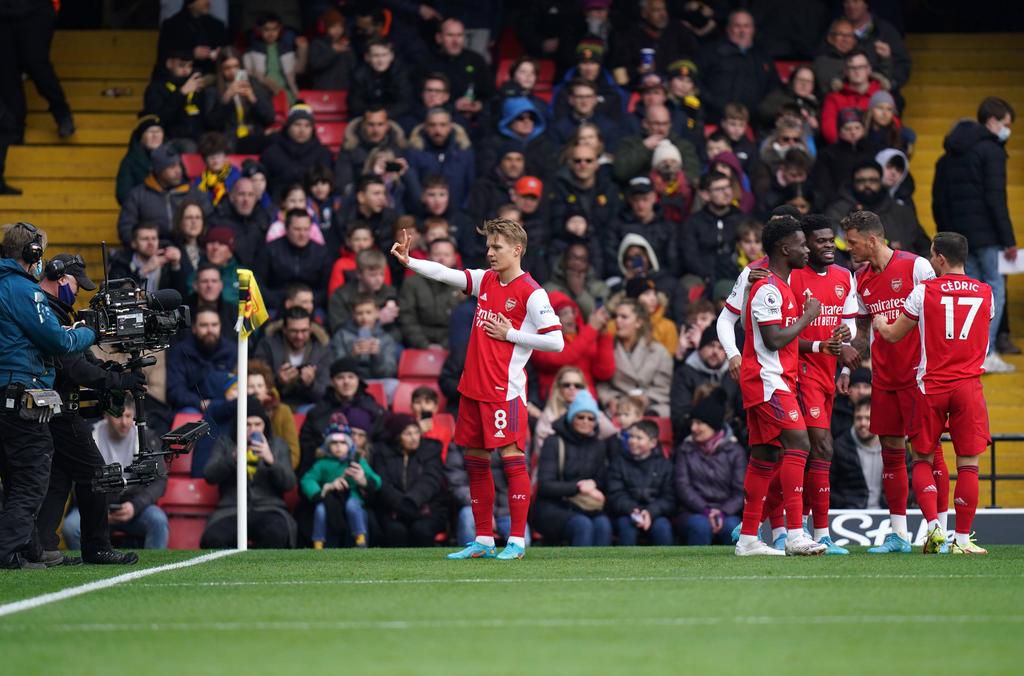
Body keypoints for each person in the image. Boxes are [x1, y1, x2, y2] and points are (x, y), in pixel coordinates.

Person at [391, 218, 564, 560]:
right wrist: (411, 262)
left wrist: (510, 334)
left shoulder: (532, 292)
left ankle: (516, 542)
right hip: (472, 389)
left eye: (497, 247)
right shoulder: (486, 280)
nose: (490, 253)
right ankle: (483, 539)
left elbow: (556, 342)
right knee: (475, 462)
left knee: (512, 461)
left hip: (504, 391)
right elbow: (445, 273)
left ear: (517, 250)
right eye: (488, 247)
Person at [873, 232, 993, 554]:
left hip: (931, 386)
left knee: (922, 458)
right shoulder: (987, 292)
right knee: (968, 464)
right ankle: (963, 540)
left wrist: (880, 323)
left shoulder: (923, 291)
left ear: (939, 257)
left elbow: (893, 335)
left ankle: (934, 529)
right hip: (968, 386)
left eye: (931, 255)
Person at [31, 254, 143, 566]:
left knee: (59, 478)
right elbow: (74, 368)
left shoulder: (50, 311)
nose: (78, 291)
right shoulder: (47, 314)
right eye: (75, 283)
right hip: (58, 412)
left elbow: (80, 360)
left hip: (51, 410)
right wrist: (118, 380)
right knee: (96, 473)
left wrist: (110, 371)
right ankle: (96, 547)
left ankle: (41, 547)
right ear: (59, 277)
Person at [0, 223, 96, 569]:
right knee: (31, 479)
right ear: (33, 254)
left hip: (4, 395)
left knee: (14, 478)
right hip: (20, 393)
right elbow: (58, 341)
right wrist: (89, 332)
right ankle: (6, 551)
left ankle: (28, 550)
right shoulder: (23, 290)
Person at [845, 209, 936, 553]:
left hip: (919, 376)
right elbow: (862, 328)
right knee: (892, 453)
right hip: (884, 378)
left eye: (853, 242)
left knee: (928, 452)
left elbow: (937, 313)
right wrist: (846, 366)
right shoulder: (860, 278)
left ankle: (938, 530)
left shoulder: (917, 267)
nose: (848, 248)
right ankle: (899, 534)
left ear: (872, 240)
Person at [734, 215, 825, 557]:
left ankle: (748, 539)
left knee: (765, 456)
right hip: (766, 380)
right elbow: (773, 340)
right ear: (785, 249)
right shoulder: (769, 289)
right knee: (799, 441)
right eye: (802, 245)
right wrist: (808, 316)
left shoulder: (781, 286)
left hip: (775, 379)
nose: (807, 250)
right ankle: (795, 534)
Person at [783, 214, 860, 554]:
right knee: (821, 447)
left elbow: (850, 325)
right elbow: (781, 336)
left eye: (831, 240)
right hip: (801, 373)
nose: (829, 246)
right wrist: (819, 346)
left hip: (829, 374)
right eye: (820, 241)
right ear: (806, 245)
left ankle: (798, 526)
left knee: (812, 451)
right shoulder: (792, 277)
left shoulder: (844, 276)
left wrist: (845, 349)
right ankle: (814, 531)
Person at [932, 97, 1017, 372]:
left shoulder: (946, 159)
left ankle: (969, 354)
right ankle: (987, 352)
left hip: (959, 239)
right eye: (1005, 124)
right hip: (988, 236)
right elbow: (995, 198)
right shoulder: (991, 151)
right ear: (992, 121)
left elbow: (939, 202)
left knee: (969, 293)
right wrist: (1008, 239)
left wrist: (948, 239)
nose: (1007, 130)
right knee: (994, 291)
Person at [72, 399, 169, 552]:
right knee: (71, 527)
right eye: (118, 416)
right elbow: (77, 480)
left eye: (128, 416)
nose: (124, 422)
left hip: (134, 507)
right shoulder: (89, 437)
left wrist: (135, 506)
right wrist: (99, 509)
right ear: (106, 415)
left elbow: (159, 480)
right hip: (95, 507)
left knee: (158, 521)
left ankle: (155, 566)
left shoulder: (146, 438)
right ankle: (88, 564)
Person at [200, 398, 297, 548]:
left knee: (277, 534)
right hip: (231, 509)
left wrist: (270, 460)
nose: (253, 430)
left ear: (265, 425)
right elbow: (209, 475)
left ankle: (257, 562)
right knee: (213, 539)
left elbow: (289, 483)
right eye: (247, 424)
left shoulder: (278, 445)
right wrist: (233, 458)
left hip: (270, 508)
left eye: (258, 424)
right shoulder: (225, 443)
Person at [533, 389, 613, 546]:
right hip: (553, 506)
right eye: (580, 417)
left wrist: (594, 485)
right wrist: (578, 487)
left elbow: (602, 479)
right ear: (571, 418)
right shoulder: (553, 442)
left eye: (591, 418)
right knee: (582, 525)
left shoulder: (598, 445)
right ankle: (579, 563)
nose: (585, 421)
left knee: (603, 525)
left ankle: (604, 564)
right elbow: (545, 485)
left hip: (585, 505)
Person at [674, 389, 747, 546]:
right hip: (693, 511)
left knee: (732, 527)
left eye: (699, 423)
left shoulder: (735, 451)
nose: (693, 428)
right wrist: (706, 510)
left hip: (728, 512)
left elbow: (740, 490)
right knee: (700, 526)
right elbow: (683, 486)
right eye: (692, 422)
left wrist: (723, 511)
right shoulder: (685, 449)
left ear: (713, 425)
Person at [370, 414, 446, 547]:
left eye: (416, 432)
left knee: (421, 530)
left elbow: (431, 480)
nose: (414, 438)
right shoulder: (382, 452)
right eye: (408, 434)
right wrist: (400, 505)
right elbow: (383, 483)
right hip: (392, 509)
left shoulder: (430, 449)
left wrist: (411, 502)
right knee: (395, 531)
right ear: (397, 436)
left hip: (427, 509)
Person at [301, 424, 380, 548]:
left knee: (352, 507)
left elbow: (376, 480)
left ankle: (360, 537)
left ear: (349, 445)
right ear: (328, 445)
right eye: (334, 443)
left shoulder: (357, 461)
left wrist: (363, 480)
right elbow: (307, 479)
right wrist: (320, 492)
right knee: (320, 511)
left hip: (351, 496)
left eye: (343, 443)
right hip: (330, 499)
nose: (338, 446)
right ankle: (318, 542)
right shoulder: (322, 463)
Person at [117, 144, 211, 244]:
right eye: (172, 167)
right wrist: (144, 246)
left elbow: (209, 220)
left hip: (188, 246)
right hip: (151, 248)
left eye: (179, 165)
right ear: (159, 170)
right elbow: (126, 228)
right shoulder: (138, 195)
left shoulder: (195, 192)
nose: (178, 171)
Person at [697, 10, 779, 123]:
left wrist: (761, 110)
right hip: (716, 118)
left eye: (746, 26)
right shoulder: (710, 52)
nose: (742, 31)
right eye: (737, 26)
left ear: (753, 29)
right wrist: (716, 105)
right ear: (728, 29)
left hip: (754, 121)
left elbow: (773, 87)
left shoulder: (762, 55)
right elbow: (696, 82)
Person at [597, 298, 673, 417]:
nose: (617, 321)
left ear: (638, 322)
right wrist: (611, 399)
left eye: (624, 317)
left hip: (649, 406)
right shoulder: (607, 348)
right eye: (616, 316)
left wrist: (646, 399)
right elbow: (601, 383)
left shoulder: (658, 351)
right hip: (618, 406)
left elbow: (663, 387)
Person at [607, 419, 675, 546]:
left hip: (655, 513)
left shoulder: (665, 465)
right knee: (626, 529)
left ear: (653, 443)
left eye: (639, 438)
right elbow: (615, 494)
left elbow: (669, 498)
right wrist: (633, 510)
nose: (633, 441)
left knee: (662, 528)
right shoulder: (619, 463)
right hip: (627, 513)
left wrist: (650, 512)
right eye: (631, 436)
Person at [253, 307, 332, 409]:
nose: (299, 336)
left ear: (311, 329)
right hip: (274, 406)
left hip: (313, 407)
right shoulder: (267, 346)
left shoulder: (321, 349)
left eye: (304, 331)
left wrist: (311, 384)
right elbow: (257, 385)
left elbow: (325, 392)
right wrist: (278, 381)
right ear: (284, 330)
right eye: (294, 331)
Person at [203, 47, 276, 155]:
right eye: (227, 68)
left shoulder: (253, 84)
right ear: (220, 69)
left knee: (277, 138)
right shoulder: (212, 90)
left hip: (254, 135)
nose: (232, 71)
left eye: (236, 66)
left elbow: (269, 118)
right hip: (230, 140)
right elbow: (212, 125)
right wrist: (226, 98)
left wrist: (253, 99)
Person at [166, 308, 237, 412]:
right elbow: (175, 389)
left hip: (226, 405)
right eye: (204, 325)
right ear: (194, 328)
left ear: (220, 326)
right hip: (193, 407)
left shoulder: (232, 350)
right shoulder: (181, 352)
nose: (210, 330)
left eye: (214, 325)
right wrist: (200, 403)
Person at [398, 237, 464, 349]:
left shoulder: (463, 285)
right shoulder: (412, 283)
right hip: (417, 344)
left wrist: (446, 345)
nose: (441, 258)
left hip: (453, 345)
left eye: (446, 255)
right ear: (428, 257)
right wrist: (424, 345)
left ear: (454, 258)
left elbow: (463, 323)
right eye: (437, 254)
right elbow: (407, 318)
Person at [259, 103, 333, 199]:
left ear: (312, 129)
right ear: (288, 126)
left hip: (313, 204)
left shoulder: (323, 154)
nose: (302, 130)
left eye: (307, 126)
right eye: (297, 124)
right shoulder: (271, 152)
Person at [328, 293, 399, 381]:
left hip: (378, 380)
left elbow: (389, 373)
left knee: (393, 383)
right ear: (353, 315)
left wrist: (378, 356)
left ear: (377, 313)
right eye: (359, 313)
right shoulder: (341, 336)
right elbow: (334, 368)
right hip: (350, 382)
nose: (364, 317)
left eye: (368, 312)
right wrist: (352, 356)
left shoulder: (386, 338)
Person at [830, 398, 883, 509]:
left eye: (868, 418)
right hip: (849, 513)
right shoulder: (840, 447)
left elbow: (908, 484)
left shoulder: (892, 446)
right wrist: (844, 506)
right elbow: (830, 486)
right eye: (858, 418)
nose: (863, 423)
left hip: (888, 513)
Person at [243, 12, 307, 104]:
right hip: (263, 94)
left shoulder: (286, 49)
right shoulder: (252, 51)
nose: (271, 33)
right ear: (259, 30)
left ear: (279, 29)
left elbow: (299, 70)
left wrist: (302, 49)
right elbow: (249, 75)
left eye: (274, 29)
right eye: (266, 29)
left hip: (287, 94)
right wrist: (268, 83)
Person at [348, 38, 413, 121]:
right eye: (376, 56)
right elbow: (354, 103)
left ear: (391, 56)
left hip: (395, 116)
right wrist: (370, 114)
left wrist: (385, 114)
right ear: (367, 57)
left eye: (384, 55)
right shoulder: (359, 74)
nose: (380, 60)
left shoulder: (401, 73)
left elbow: (405, 102)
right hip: (366, 117)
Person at [116, 116, 166, 206]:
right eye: (150, 132)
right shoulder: (130, 162)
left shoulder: (173, 159)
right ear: (141, 137)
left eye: (158, 131)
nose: (155, 136)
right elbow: (123, 195)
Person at [307, 7, 355, 91]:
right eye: (333, 26)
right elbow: (315, 65)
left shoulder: (345, 43)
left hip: (344, 89)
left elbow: (353, 67)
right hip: (325, 90)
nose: (338, 30)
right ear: (325, 27)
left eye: (340, 26)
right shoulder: (317, 43)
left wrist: (348, 51)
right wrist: (333, 51)